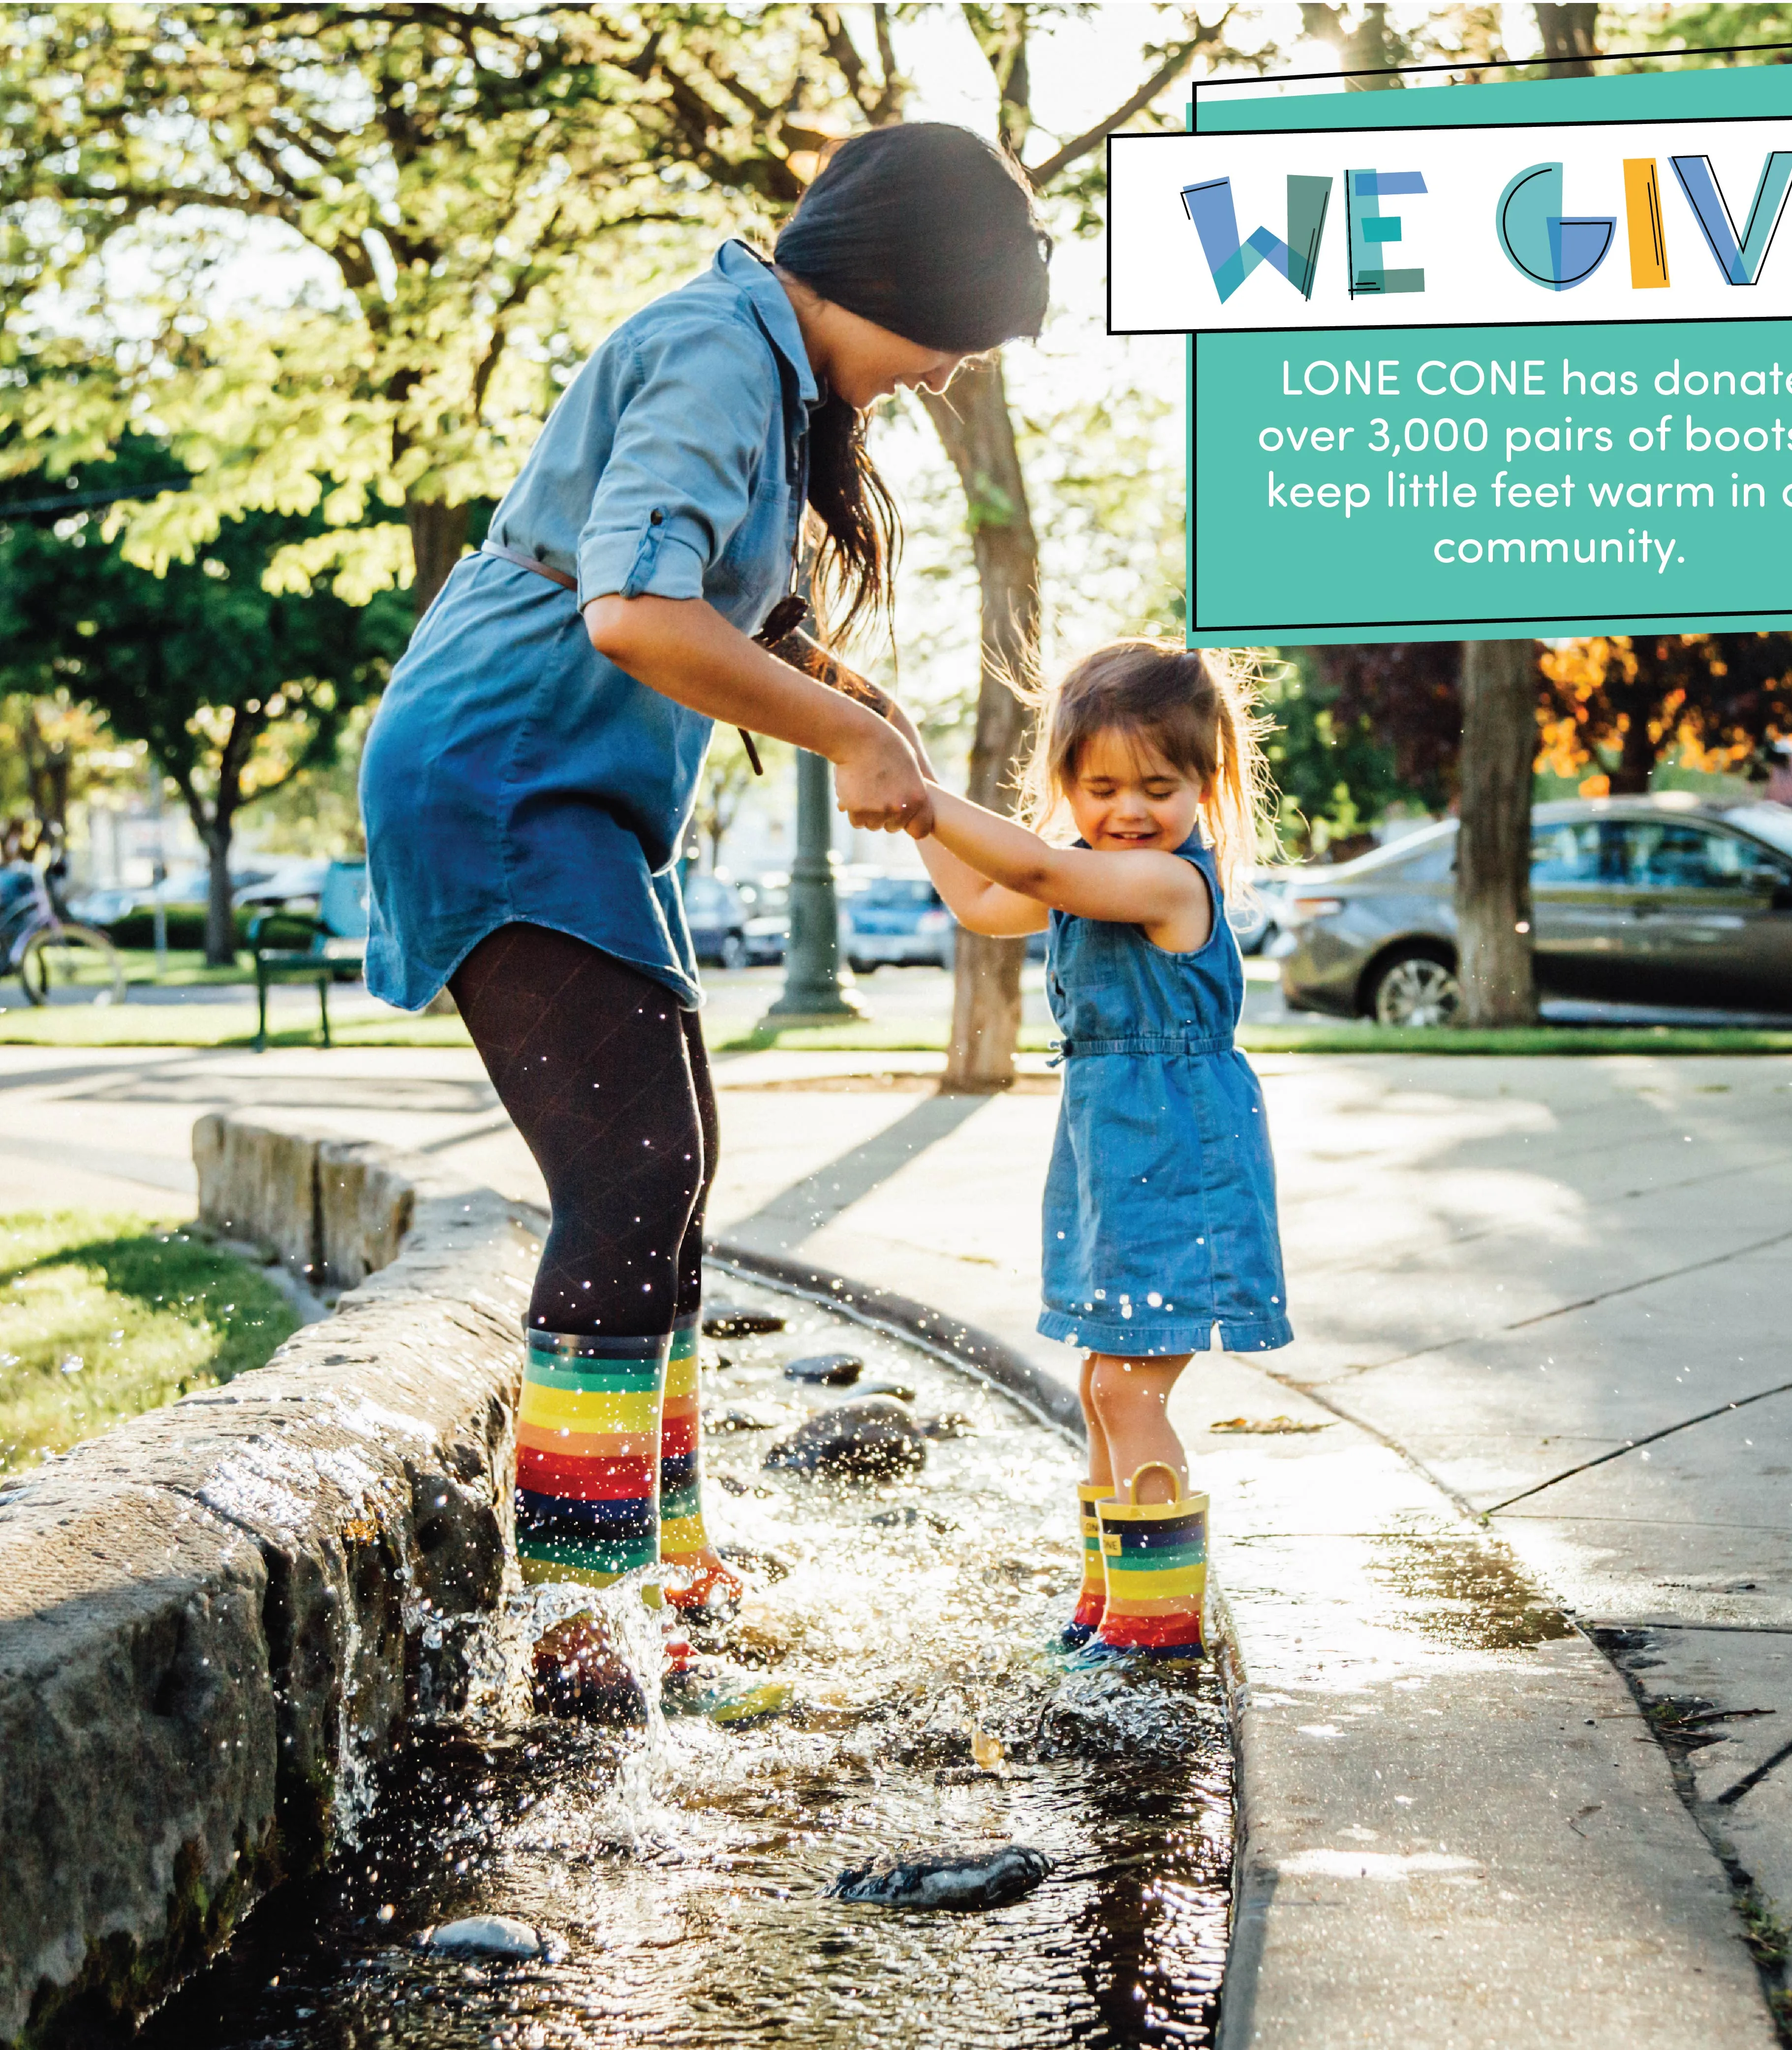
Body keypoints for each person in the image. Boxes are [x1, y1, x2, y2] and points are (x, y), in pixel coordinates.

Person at [359, 124, 1050, 1716]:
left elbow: (741, 616)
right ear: (898, 277)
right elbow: (634, 614)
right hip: (499, 770)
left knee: (669, 1180)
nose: (949, 372)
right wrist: (853, 741)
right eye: (956, 333)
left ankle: (664, 1578)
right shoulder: (713, 350)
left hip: (573, 789)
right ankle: (585, 1637)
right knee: (631, 1174)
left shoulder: (770, 372)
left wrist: (889, 738)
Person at [899, 640, 1291, 1661]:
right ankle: (1111, 1598)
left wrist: (922, 791)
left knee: (1129, 1385)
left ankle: (1156, 1628)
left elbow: (1028, 865)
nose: (1129, 810)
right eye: (1101, 785)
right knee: (1099, 1383)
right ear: (1063, 781)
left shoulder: (1164, 883)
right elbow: (985, 901)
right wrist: (907, 793)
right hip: (1116, 1159)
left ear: (1207, 784)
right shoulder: (1091, 880)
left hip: (1181, 1162)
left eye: (1159, 787)